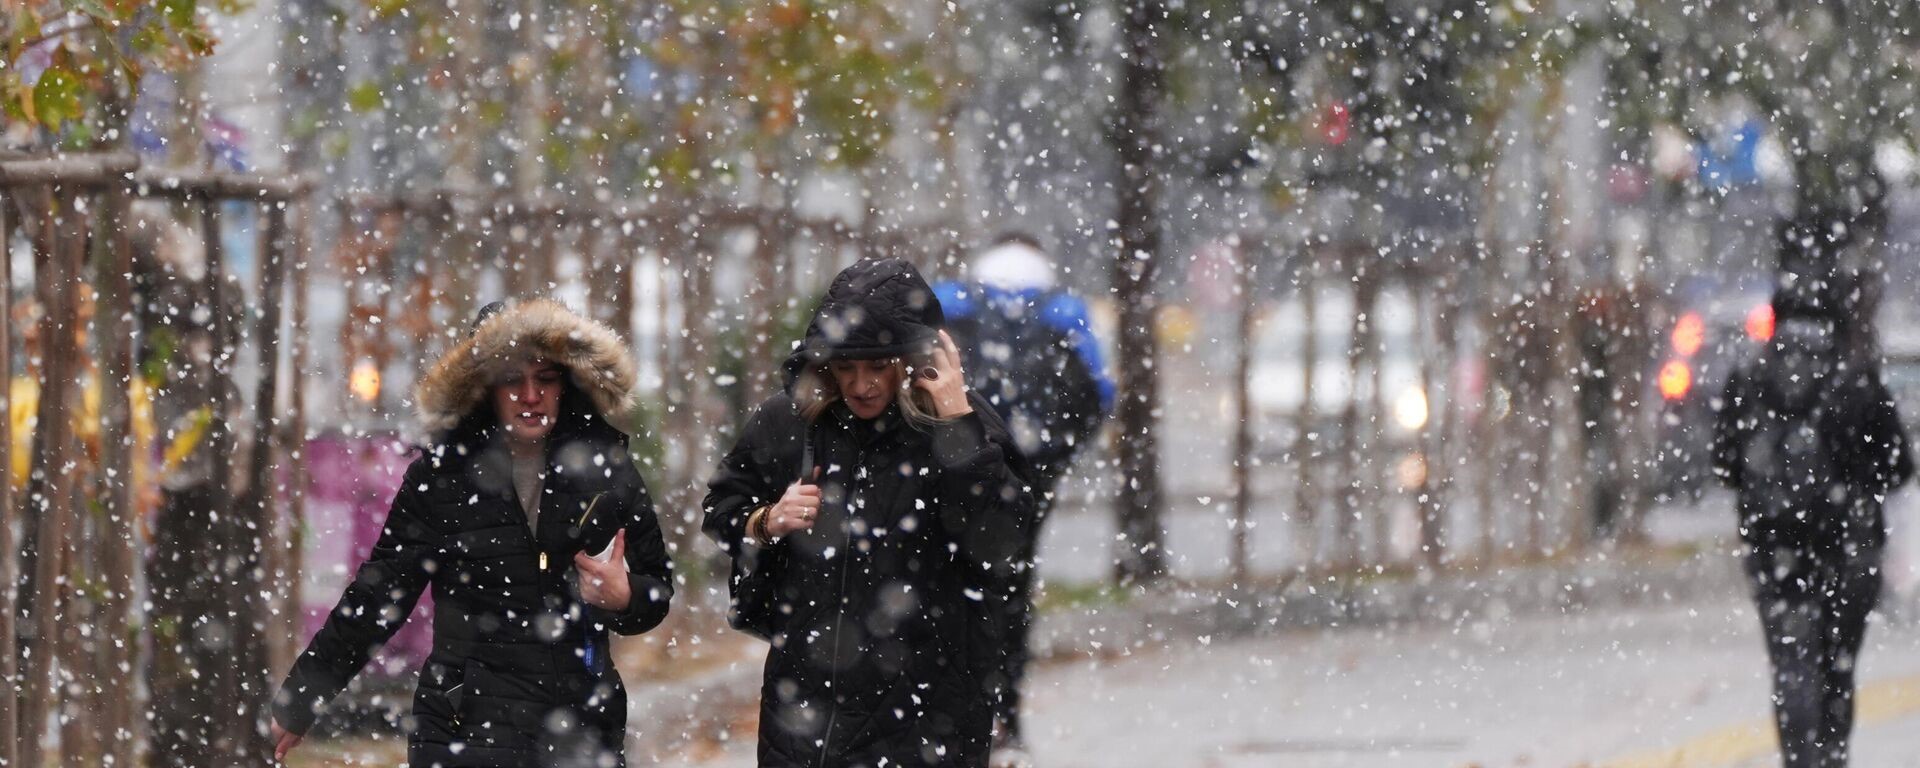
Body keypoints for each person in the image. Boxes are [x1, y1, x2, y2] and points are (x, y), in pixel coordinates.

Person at [270, 298, 674, 767]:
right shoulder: (440, 477)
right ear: (483, 387)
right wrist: (302, 699)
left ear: (567, 383)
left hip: (578, 732)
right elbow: (378, 596)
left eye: (545, 378)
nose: (530, 394)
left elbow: (657, 587)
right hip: (463, 730)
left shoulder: (608, 468)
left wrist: (625, 599)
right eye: (512, 379)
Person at [704, 257, 1035, 767]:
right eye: (846, 367)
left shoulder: (963, 424)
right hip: (807, 712)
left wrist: (958, 427)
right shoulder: (792, 420)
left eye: (878, 366)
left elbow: (1004, 545)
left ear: (915, 357)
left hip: (928, 712)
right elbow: (722, 507)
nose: (862, 385)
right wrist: (768, 520)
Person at [1711, 271, 1912, 768]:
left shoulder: (1749, 377)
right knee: (1836, 666)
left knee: (1791, 663)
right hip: (1849, 546)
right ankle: (1831, 755)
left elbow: (1723, 465)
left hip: (1774, 546)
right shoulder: (1857, 379)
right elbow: (1900, 467)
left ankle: (1799, 757)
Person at [931, 232, 1112, 755]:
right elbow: (1099, 392)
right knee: (1010, 589)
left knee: (943, 582)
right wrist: (1053, 459)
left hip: (954, 465)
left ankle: (944, 709)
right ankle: (1003, 716)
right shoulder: (1063, 309)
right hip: (1030, 473)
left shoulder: (951, 299)